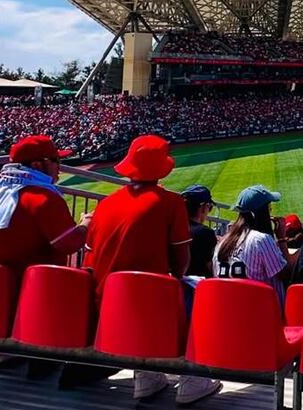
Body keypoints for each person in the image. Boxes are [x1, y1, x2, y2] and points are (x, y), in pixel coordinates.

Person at [85, 134, 219, 405]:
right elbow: (181, 262)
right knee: (197, 295)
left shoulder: (105, 204)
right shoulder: (170, 203)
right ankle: (193, 376)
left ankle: (147, 374)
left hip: (105, 300)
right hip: (145, 303)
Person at [0, 135, 90, 373]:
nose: (59, 167)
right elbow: (69, 244)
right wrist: (85, 224)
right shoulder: (42, 198)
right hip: (26, 292)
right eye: (55, 160)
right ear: (38, 165)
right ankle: (41, 352)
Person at [215, 185, 291, 305]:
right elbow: (287, 275)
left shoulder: (221, 244)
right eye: (268, 208)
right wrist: (281, 238)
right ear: (261, 213)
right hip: (263, 315)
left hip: (230, 314)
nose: (270, 211)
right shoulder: (260, 240)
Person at [181, 184, 217, 278]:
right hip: (198, 288)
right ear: (204, 207)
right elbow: (212, 268)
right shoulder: (206, 233)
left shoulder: (174, 228)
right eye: (210, 207)